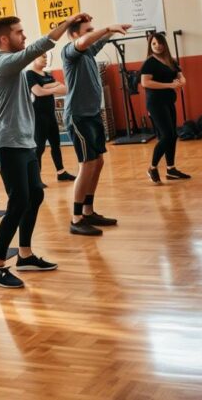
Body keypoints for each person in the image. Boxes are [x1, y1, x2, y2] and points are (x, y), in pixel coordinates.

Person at [0, 15, 87, 287]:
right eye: (19, 32)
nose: (24, 36)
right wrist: (66, 24)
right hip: (6, 144)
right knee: (18, 202)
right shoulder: (0, 63)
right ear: (4, 39)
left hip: (24, 143)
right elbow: (35, 50)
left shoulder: (15, 66)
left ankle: (25, 255)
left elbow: (31, 53)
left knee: (36, 194)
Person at [62, 17, 132, 237]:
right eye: (87, 30)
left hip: (92, 114)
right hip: (78, 116)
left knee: (98, 162)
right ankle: (76, 218)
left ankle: (88, 211)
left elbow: (95, 42)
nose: (92, 33)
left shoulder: (88, 52)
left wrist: (112, 31)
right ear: (74, 34)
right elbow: (83, 43)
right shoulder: (69, 51)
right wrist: (107, 28)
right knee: (87, 164)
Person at [140, 33, 191, 184]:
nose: (157, 46)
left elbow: (180, 76)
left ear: (164, 44)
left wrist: (181, 81)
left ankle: (171, 169)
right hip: (155, 103)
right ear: (150, 46)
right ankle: (152, 167)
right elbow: (145, 83)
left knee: (173, 135)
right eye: (154, 43)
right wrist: (169, 85)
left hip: (169, 101)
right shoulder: (149, 62)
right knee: (167, 136)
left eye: (159, 43)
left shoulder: (171, 61)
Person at [25, 54, 75, 184]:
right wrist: (54, 87)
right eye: (43, 57)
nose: (45, 59)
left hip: (50, 115)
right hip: (38, 117)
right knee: (39, 148)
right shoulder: (29, 74)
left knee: (56, 145)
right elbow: (38, 92)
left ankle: (61, 172)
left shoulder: (47, 75)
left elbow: (64, 90)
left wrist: (47, 87)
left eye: (46, 57)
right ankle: (36, 179)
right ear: (34, 58)